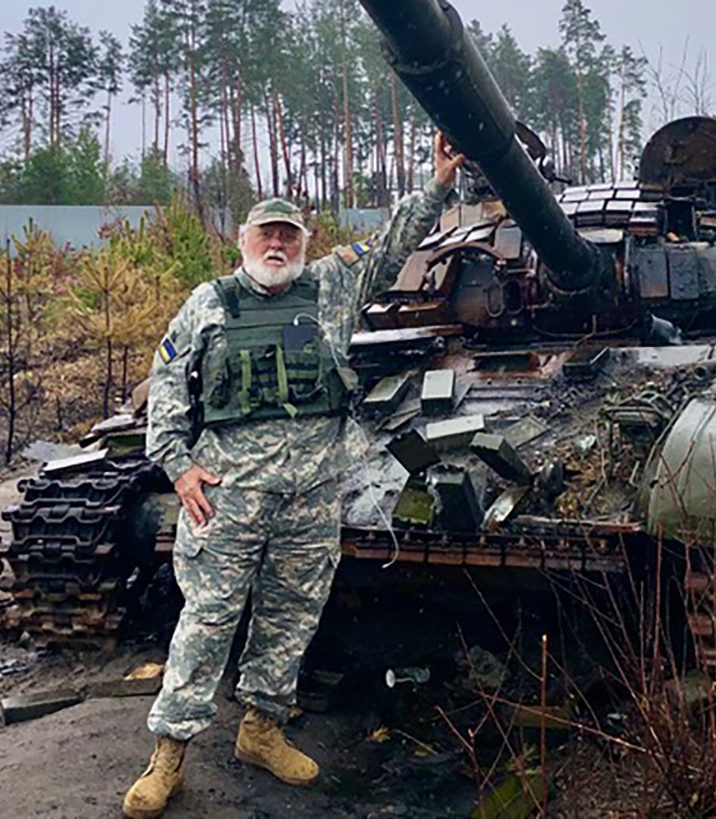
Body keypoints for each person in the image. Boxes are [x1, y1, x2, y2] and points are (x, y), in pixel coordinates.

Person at [122, 133, 464, 819]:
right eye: (266, 233)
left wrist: (438, 183)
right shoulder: (210, 303)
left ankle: (262, 727)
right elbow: (166, 383)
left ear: (302, 240)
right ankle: (169, 751)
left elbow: (394, 243)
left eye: (288, 234)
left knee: (290, 613)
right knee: (208, 619)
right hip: (228, 492)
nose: (277, 244)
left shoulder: (334, 283)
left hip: (312, 491)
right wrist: (178, 464)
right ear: (244, 240)